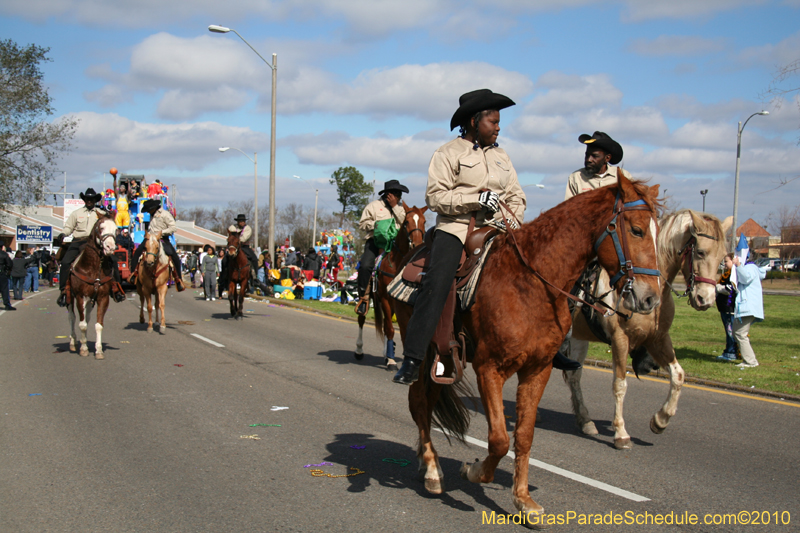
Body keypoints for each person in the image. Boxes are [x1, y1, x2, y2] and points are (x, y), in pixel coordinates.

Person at [393, 89, 525, 384]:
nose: (498, 127)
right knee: (437, 282)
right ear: (474, 121)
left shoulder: (502, 156)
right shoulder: (447, 153)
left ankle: (551, 348)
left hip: (500, 229)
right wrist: (476, 200)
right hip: (456, 228)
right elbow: (436, 197)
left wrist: (511, 220)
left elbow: (517, 196)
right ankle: (413, 357)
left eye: (499, 122)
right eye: (493, 121)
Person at [57, 188, 126, 307]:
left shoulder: (100, 213)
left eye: (92, 199)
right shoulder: (76, 213)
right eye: (87, 199)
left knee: (113, 260)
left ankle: (116, 288)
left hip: (95, 243)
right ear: (85, 200)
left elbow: (109, 224)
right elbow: (69, 227)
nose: (89, 201)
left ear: (95, 200)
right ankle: (64, 290)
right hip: (78, 240)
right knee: (65, 262)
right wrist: (64, 233)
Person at [356, 179, 408, 315]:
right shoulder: (373, 206)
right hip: (375, 241)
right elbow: (362, 224)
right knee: (366, 265)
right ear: (388, 194)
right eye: (396, 193)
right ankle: (363, 298)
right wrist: (378, 225)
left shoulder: (402, 208)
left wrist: (395, 206)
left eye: (399, 194)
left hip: (395, 244)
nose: (399, 196)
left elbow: (405, 223)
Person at [129, 199, 185, 291]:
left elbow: (173, 228)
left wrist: (161, 233)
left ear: (153, 208)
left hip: (162, 238)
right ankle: (133, 274)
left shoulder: (165, 214)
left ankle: (178, 279)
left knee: (174, 256)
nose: (147, 212)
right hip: (150, 238)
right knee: (137, 252)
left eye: (148, 209)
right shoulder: (152, 215)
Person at [564, 131, 631, 200]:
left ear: (607, 158)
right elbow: (569, 208)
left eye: (595, 156)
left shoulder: (623, 176)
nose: (589, 160)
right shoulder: (576, 177)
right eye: (587, 155)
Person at [731, 254, 767, 368]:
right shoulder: (749, 268)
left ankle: (751, 361)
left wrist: (738, 265)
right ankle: (749, 360)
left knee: (740, 334)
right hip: (746, 307)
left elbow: (746, 278)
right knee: (737, 333)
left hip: (748, 307)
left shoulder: (750, 267)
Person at [715, 253, 738, 362]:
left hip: (730, 308)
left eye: (726, 261)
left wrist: (718, 287)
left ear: (733, 261)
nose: (724, 264)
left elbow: (730, 288)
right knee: (728, 330)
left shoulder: (734, 274)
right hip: (723, 308)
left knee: (730, 331)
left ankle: (731, 352)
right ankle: (730, 350)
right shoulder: (727, 274)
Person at [0, 244, 14, 310]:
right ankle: (7, 305)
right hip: (2, 273)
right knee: (4, 290)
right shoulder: (4, 254)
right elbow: (10, 264)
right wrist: (6, 270)